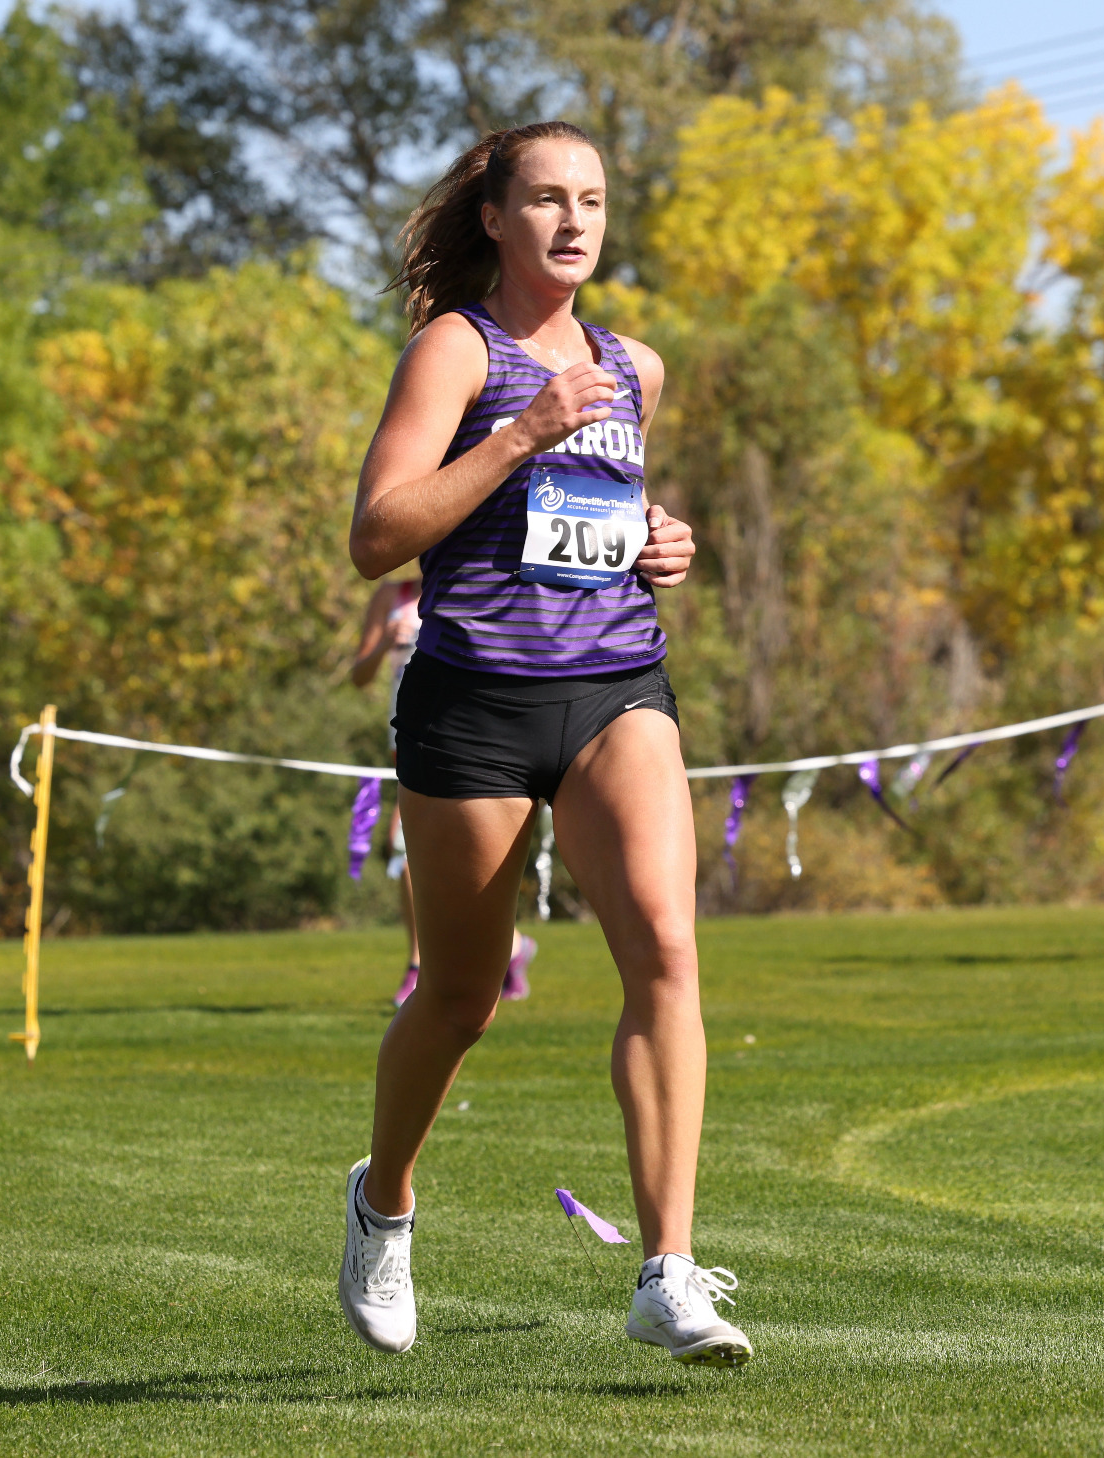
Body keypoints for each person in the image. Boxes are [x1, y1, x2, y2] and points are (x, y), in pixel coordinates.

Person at [336, 121, 747, 1367]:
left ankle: (666, 1272)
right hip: (470, 702)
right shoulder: (454, 352)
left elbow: (599, 520)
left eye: (593, 201)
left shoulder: (635, 366)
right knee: (459, 999)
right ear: (497, 221)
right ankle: (383, 1199)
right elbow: (376, 536)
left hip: (616, 686)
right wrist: (518, 432)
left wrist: (659, 542)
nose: (573, 221)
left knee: (666, 950)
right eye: (546, 201)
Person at [350, 577, 536, 1007]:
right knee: (407, 847)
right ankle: (437, 961)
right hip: (408, 736)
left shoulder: (471, 575)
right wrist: (385, 646)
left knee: (456, 853)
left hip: (465, 731)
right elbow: (359, 675)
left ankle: (494, 950)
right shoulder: (391, 597)